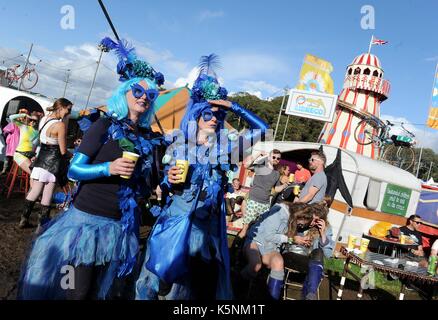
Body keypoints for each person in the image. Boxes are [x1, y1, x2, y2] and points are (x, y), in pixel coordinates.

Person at [17, 37, 166, 300]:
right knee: (78, 292)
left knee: (101, 292)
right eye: (138, 91)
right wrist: (108, 167)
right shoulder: (104, 126)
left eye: (150, 95)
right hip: (86, 224)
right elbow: (74, 170)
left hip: (119, 228)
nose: (144, 98)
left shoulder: (147, 138)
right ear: (125, 93)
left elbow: (147, 182)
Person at [135, 54, 268, 300]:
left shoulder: (228, 149)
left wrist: (233, 106)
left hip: (205, 232)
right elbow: (166, 183)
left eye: (218, 116)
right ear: (196, 116)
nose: (214, 118)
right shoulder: (179, 145)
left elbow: (262, 130)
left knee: (187, 291)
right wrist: (169, 180)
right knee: (159, 282)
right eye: (207, 114)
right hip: (175, 224)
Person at [19, 98, 73, 232]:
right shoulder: (60, 125)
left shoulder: (44, 119)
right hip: (53, 161)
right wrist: (73, 155)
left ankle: (23, 219)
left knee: (36, 190)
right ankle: (41, 226)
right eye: (68, 110)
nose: (69, 113)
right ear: (61, 108)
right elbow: (62, 150)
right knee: (47, 192)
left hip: (41, 158)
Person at [240, 201, 308, 299]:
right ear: (298, 215)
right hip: (256, 241)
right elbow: (269, 236)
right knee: (256, 265)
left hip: (270, 247)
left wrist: (296, 240)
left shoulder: (290, 219)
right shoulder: (278, 213)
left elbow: (282, 238)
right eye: (300, 224)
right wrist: (291, 239)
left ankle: (272, 297)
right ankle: (237, 285)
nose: (300, 226)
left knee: (278, 262)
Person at [282, 201, 334, 300]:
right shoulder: (298, 220)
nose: (312, 222)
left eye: (316, 221)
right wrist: (293, 239)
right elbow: (280, 237)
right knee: (315, 266)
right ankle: (310, 293)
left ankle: (311, 294)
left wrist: (323, 234)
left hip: (308, 261)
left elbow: (328, 255)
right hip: (290, 256)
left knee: (318, 252)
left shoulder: (325, 229)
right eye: (311, 219)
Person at [238, 149, 289, 238]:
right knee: (245, 228)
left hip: (265, 204)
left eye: (278, 158)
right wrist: (258, 154)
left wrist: (285, 185)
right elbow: (246, 165)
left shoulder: (276, 173)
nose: (276, 159)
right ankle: (235, 249)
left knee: (258, 229)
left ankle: (247, 248)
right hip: (253, 201)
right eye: (273, 157)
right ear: (269, 157)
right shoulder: (261, 167)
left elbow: (276, 189)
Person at [9, 110, 39, 175]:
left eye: (35, 121)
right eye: (31, 120)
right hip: (20, 154)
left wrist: (36, 155)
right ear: (29, 119)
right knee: (34, 173)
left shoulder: (38, 132)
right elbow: (11, 117)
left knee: (39, 173)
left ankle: (33, 185)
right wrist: (24, 115)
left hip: (31, 156)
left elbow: (38, 146)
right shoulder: (24, 127)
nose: (33, 122)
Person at [1, 109, 25, 175]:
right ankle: (7, 170)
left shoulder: (16, 123)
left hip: (14, 143)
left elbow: (6, 130)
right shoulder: (19, 124)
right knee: (10, 157)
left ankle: (7, 170)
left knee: (10, 157)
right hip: (16, 143)